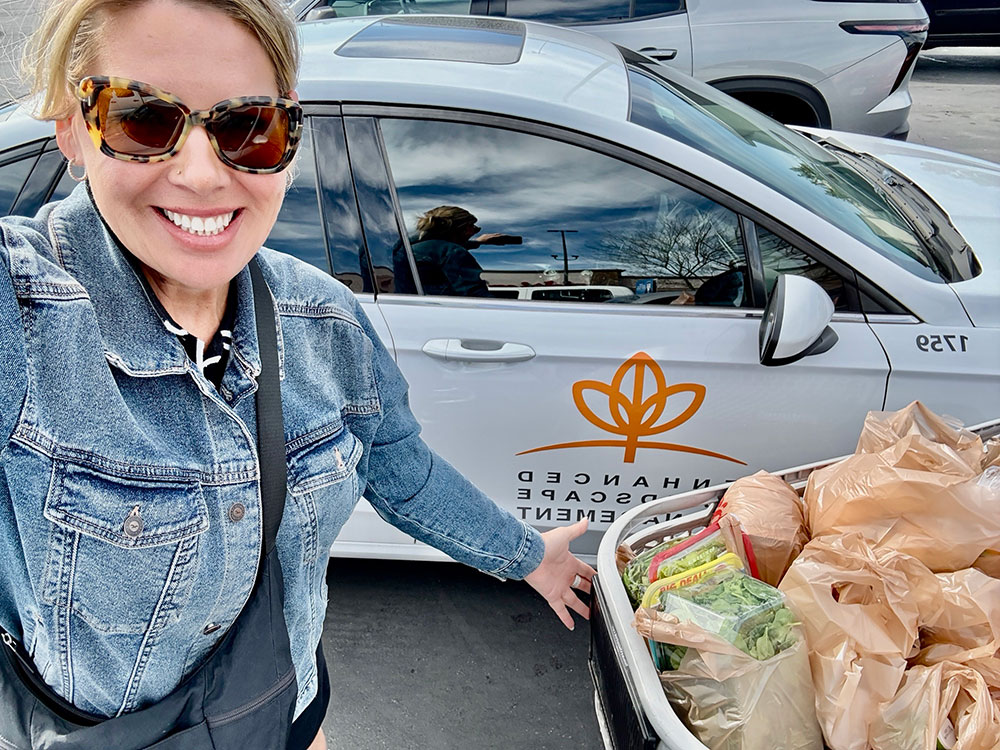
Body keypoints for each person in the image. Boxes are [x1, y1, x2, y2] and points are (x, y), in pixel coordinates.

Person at [0, 2, 594, 748]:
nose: (201, 174)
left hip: (281, 710)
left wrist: (527, 556)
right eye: (141, 120)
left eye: (247, 126)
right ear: (70, 129)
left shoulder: (324, 320)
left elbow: (401, 473)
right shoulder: (24, 310)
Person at [410, 205, 520, 296]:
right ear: (464, 229)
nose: (474, 232)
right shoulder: (453, 252)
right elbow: (475, 295)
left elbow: (437, 247)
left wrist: (478, 242)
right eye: (474, 228)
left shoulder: (409, 249)